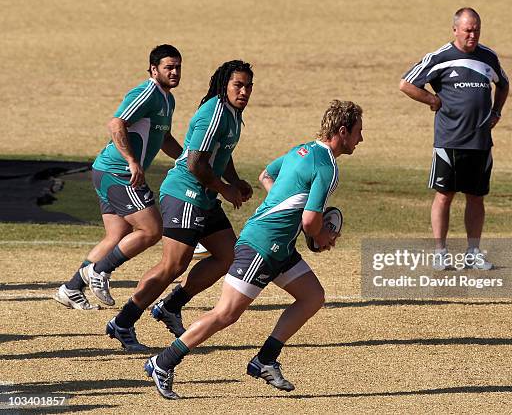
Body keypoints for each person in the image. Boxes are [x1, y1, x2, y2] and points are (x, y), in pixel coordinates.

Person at [143, 100, 363, 399]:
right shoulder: (327, 167)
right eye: (358, 132)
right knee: (225, 314)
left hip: (279, 246)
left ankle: (265, 360)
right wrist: (320, 236)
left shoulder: (300, 150)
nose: (360, 139)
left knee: (312, 297)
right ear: (343, 131)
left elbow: (265, 175)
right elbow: (311, 222)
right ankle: (163, 362)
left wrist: (284, 208)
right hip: (262, 245)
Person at [106, 60, 254, 351]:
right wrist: (225, 188)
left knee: (228, 257)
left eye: (249, 86)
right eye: (238, 85)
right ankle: (123, 322)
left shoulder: (234, 114)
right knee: (173, 265)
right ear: (224, 85)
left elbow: (221, 152)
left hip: (205, 196)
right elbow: (195, 162)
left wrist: (235, 180)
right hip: (185, 194)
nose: (245, 91)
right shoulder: (214, 112)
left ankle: (171, 306)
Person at [54, 44, 183, 310]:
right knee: (151, 229)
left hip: (107, 171)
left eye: (178, 67)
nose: (174, 72)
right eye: (168, 67)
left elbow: (164, 138)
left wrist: (185, 161)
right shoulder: (146, 93)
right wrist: (133, 161)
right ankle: (99, 271)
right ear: (153, 69)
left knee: (117, 235)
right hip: (119, 172)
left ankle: (71, 288)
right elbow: (116, 124)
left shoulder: (167, 99)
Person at [399, 7, 509, 270]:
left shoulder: (488, 57)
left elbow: (503, 84)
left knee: (476, 197)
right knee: (444, 195)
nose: (473, 35)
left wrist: (496, 111)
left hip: (480, 141)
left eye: (476, 30)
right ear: (455, 30)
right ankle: (441, 253)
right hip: (449, 140)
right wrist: (432, 99)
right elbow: (406, 84)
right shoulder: (440, 57)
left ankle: (473, 252)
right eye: (468, 30)